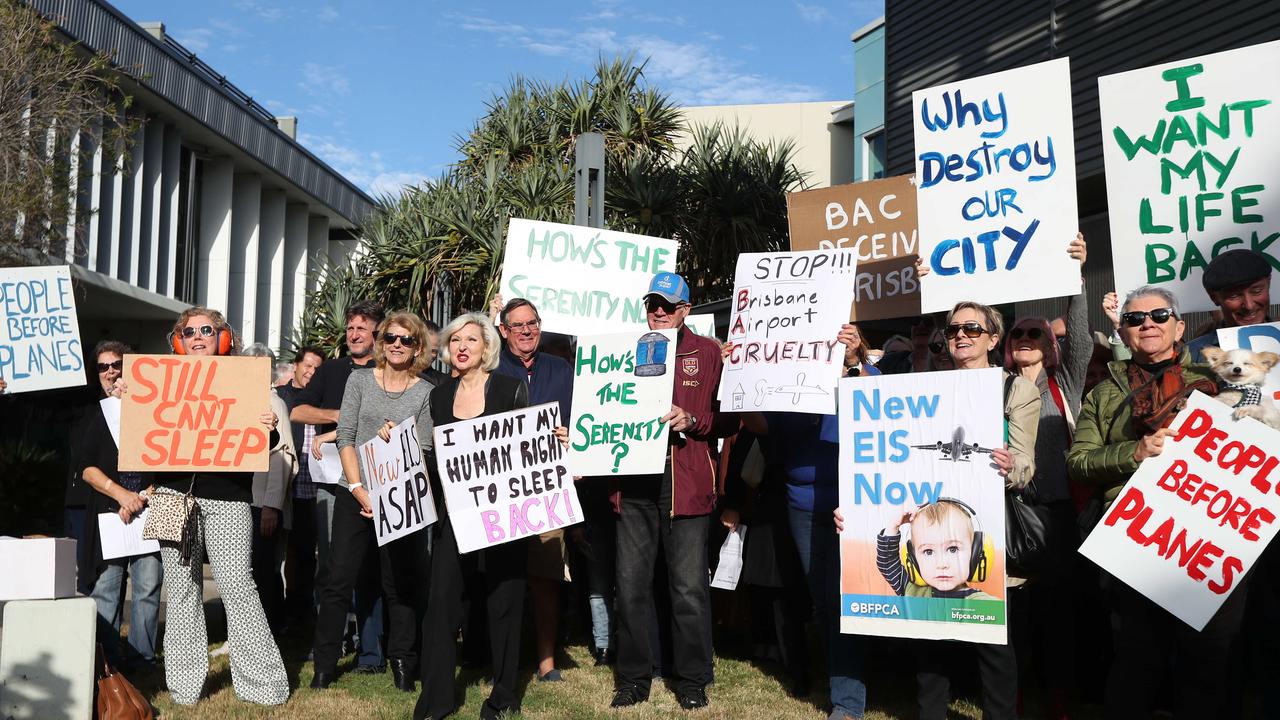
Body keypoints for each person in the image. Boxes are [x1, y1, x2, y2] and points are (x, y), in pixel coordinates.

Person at [1068, 286, 1232, 719]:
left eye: (1159, 315)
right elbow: (1079, 462)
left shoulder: (1214, 381)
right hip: (1136, 537)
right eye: (1136, 319)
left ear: (1179, 327)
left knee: (1206, 655)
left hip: (1208, 534)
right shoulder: (1104, 393)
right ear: (1123, 330)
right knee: (1138, 654)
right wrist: (1135, 453)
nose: (1148, 324)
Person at [415, 313, 567, 720]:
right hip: (455, 516)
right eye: (455, 341)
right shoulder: (439, 395)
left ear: (487, 348)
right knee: (442, 605)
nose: (462, 347)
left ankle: (503, 695)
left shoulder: (509, 389)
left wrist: (555, 441)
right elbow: (434, 456)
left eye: (471, 340)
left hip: (503, 518)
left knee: (504, 602)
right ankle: (436, 699)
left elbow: (528, 447)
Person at [146, 307, 289, 706]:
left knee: (239, 588)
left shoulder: (246, 382)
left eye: (206, 330)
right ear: (178, 341)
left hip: (229, 497)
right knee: (180, 590)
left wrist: (269, 425)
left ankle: (263, 686)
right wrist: (132, 403)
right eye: (187, 332)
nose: (196, 337)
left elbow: (268, 445)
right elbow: (143, 437)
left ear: (223, 338)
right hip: (172, 497)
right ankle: (184, 688)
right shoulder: (159, 382)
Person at [610, 272, 731, 711]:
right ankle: (634, 677)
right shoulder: (625, 349)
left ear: (686, 309)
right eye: (651, 304)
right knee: (631, 585)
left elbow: (728, 421)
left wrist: (693, 421)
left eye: (666, 304)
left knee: (688, 588)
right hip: (633, 482)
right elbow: (604, 404)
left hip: (686, 483)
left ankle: (693, 677)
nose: (657, 311)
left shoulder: (710, 353)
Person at [915, 298, 1039, 720]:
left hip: (989, 525)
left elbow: (1025, 464)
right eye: (952, 330)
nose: (961, 336)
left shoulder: (1016, 389)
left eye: (971, 328)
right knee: (932, 637)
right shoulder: (923, 388)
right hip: (934, 524)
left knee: (994, 643)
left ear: (993, 337)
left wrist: (1010, 467)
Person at [312, 312, 435, 693]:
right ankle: (324, 665)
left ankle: (402, 662)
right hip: (357, 493)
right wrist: (357, 488)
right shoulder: (360, 380)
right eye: (391, 338)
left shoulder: (425, 392)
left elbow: (427, 450)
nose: (397, 345)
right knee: (338, 580)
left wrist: (401, 436)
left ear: (417, 348)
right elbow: (345, 435)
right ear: (381, 344)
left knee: (399, 584)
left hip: (400, 499)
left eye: (406, 340)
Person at [1003, 234, 1092, 718]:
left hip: (1056, 516)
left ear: (1049, 345)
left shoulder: (1067, 384)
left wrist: (1075, 279)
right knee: (1014, 617)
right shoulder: (993, 389)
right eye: (1017, 335)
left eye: (1034, 335)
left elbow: (1080, 335)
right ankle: (1013, 695)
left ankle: (1058, 697)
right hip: (1007, 511)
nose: (1025, 342)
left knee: (1057, 614)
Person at [293, 300, 388, 674]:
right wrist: (341, 416)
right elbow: (298, 411)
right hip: (331, 483)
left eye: (362, 328)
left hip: (377, 480)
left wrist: (348, 425)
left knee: (372, 569)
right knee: (333, 567)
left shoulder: (388, 370)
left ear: (377, 333)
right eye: (350, 327)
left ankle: (370, 652)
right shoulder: (331, 371)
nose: (354, 334)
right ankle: (330, 642)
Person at [490, 295, 575, 682]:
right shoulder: (489, 367)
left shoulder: (561, 368)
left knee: (546, 577)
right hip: (500, 489)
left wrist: (573, 435)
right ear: (503, 330)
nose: (527, 331)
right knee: (500, 580)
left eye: (533, 323)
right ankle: (499, 662)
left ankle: (546, 663)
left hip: (548, 489)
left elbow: (583, 418)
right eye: (518, 325)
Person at [78, 341, 161, 670]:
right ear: (96, 374)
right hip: (108, 514)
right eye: (103, 367)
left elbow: (166, 461)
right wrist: (121, 496)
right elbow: (85, 468)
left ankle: (142, 659)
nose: (110, 371)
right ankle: (107, 662)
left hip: (148, 508)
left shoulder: (153, 408)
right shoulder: (93, 413)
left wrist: (140, 497)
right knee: (107, 589)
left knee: (148, 586)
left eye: (117, 365)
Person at [243, 343, 298, 634]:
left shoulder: (272, 402)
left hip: (262, 504)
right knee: (251, 570)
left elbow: (282, 455)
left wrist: (271, 506)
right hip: (248, 500)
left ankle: (271, 630)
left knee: (263, 571)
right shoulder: (245, 399)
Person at [276, 345, 325, 630]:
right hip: (283, 487)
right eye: (307, 365)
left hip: (311, 489)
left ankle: (300, 614)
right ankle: (281, 612)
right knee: (278, 556)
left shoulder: (321, 400)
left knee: (305, 555)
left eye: (317, 368)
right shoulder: (281, 397)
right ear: (295, 365)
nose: (311, 372)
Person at [877, 500, 997, 600]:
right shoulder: (911, 590)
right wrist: (892, 526)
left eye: (952, 549)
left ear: (975, 554)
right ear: (913, 559)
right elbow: (887, 563)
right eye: (928, 551)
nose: (942, 564)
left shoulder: (984, 603)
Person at [1186, 249, 1273, 362]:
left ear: (1269, 283)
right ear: (1214, 298)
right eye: (1234, 296)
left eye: (1256, 291)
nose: (1249, 306)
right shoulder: (1192, 356)